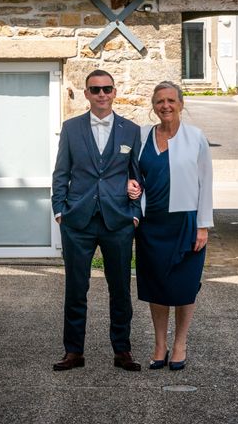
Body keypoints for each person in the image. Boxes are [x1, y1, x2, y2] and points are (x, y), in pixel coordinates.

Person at [51, 69, 143, 372]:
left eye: (107, 89)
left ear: (114, 92)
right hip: (78, 221)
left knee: (120, 290)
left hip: (118, 221)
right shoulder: (71, 128)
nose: (101, 94)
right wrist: (60, 211)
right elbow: (61, 173)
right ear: (87, 94)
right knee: (76, 289)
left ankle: (122, 350)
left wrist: (135, 212)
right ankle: (73, 351)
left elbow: (136, 175)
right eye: (95, 89)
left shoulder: (130, 130)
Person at [128, 80, 213, 371]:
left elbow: (206, 183)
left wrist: (203, 226)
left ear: (181, 104)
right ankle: (159, 344)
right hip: (151, 225)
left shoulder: (195, 137)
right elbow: (131, 173)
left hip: (186, 223)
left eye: (171, 101)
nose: (165, 106)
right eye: (160, 101)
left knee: (184, 286)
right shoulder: (141, 136)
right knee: (157, 286)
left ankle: (180, 344)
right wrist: (131, 188)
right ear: (153, 106)